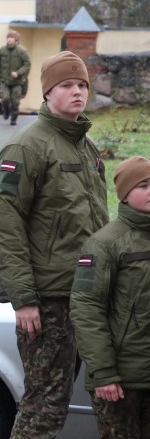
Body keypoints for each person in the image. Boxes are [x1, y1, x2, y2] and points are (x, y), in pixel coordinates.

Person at [0, 50, 109, 438]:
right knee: (45, 404)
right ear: (48, 92)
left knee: (92, 395)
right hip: (49, 299)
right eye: (67, 85)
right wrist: (23, 298)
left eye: (82, 85)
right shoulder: (27, 147)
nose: (77, 92)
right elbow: (5, 225)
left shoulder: (86, 147)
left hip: (87, 294)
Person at [71, 155, 150, 439]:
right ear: (125, 194)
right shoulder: (104, 243)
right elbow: (86, 308)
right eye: (143, 185)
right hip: (122, 379)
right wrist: (103, 372)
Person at [0, 30, 31, 125]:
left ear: (16, 39)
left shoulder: (21, 51)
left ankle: (13, 118)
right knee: (5, 98)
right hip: (4, 80)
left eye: (11, 37)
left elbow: (27, 64)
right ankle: (6, 110)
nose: (9, 39)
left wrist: (18, 73)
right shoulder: (1, 50)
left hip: (17, 82)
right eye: (8, 37)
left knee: (15, 102)